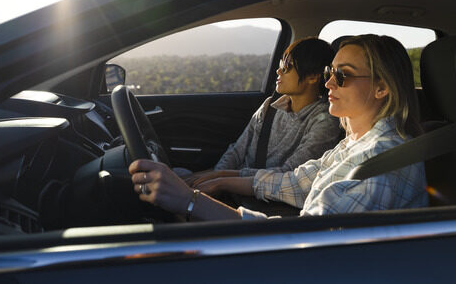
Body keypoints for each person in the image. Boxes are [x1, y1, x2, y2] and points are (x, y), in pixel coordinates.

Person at [129, 34, 428, 221]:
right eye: (329, 72)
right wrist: (213, 183)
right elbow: (297, 183)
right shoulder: (354, 144)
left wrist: (191, 202)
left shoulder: (383, 163)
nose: (328, 83)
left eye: (343, 75)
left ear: (381, 89)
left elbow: (304, 244)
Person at [183, 37, 341, 188]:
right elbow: (237, 150)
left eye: (287, 67)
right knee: (177, 176)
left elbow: (289, 175)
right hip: (229, 184)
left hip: (260, 196)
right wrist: (213, 176)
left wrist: (223, 178)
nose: (279, 71)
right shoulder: (270, 107)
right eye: (280, 64)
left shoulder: (324, 123)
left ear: (312, 77)